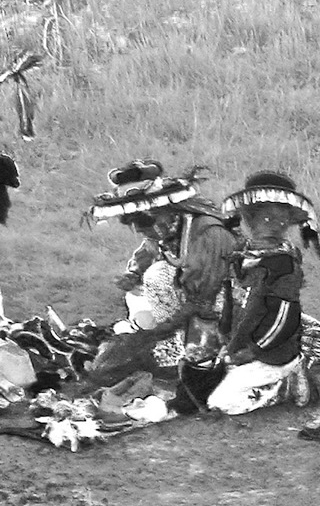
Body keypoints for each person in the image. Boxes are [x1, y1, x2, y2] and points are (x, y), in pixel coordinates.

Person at [85, 160, 237, 389]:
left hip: (223, 303)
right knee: (141, 289)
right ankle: (170, 341)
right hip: (188, 295)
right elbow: (149, 249)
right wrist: (133, 274)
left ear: (163, 211)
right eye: (133, 223)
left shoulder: (209, 233)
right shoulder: (167, 227)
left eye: (143, 222)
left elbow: (202, 298)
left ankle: (187, 348)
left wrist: (160, 332)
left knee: (157, 278)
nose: (138, 230)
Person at [206, 172, 320, 415]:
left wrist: (255, 351)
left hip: (272, 353)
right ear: (248, 219)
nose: (272, 226)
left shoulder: (284, 266)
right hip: (242, 343)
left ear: (288, 222)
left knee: (221, 403)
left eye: (280, 220)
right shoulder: (242, 254)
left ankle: (286, 383)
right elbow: (232, 297)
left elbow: (285, 318)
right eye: (264, 218)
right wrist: (226, 335)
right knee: (203, 379)